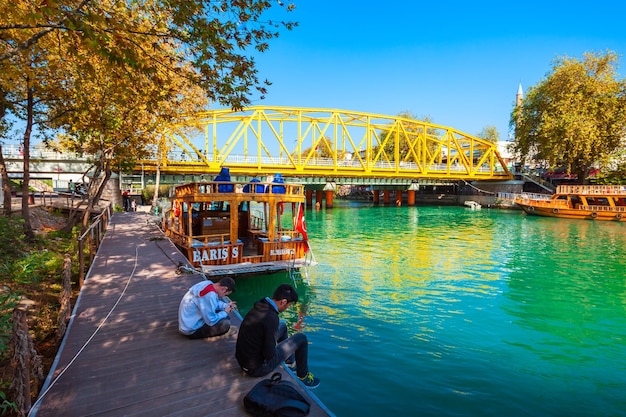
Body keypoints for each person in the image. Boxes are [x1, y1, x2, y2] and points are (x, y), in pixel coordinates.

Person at [236, 284, 320, 388]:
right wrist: (282, 351)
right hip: (256, 368)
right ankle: (303, 376)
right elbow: (269, 354)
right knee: (301, 338)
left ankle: (290, 363)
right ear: (283, 302)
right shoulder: (271, 318)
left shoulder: (260, 306)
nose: (287, 308)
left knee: (283, 325)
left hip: (243, 361)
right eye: (288, 305)